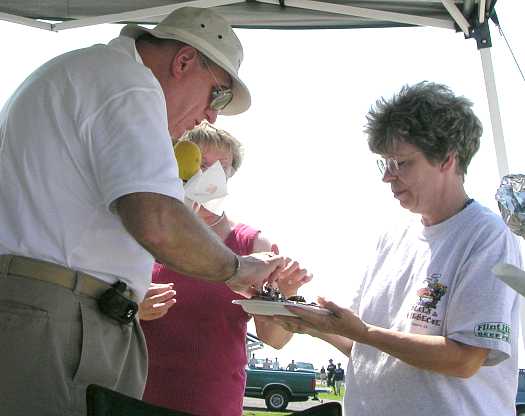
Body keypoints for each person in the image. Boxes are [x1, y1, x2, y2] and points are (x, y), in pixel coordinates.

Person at [0, 7, 288, 416]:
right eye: (218, 94)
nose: (212, 115)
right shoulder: (129, 84)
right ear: (184, 61)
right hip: (58, 317)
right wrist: (239, 269)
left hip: (50, 311)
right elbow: (156, 220)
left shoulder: (92, 74)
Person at [271, 82, 522, 416]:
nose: (388, 177)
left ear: (447, 159)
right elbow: (367, 348)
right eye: (385, 163)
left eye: (401, 163)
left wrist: (365, 333)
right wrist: (317, 326)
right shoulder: (392, 238)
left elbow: (464, 359)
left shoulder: (488, 238)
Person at [140, 123, 312, 416]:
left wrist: (286, 294)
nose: (211, 175)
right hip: (137, 396)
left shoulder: (253, 244)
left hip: (213, 403)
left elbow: (274, 340)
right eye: (202, 163)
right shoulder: (146, 228)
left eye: (222, 166)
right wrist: (134, 307)